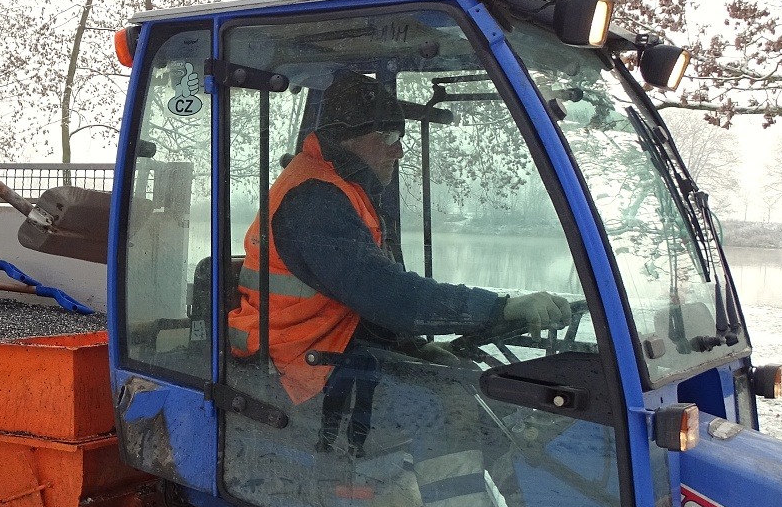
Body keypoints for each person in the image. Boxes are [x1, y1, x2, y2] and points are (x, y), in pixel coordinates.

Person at [227, 70, 572, 451]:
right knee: (454, 409)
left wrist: (413, 348)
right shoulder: (315, 201)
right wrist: (501, 307)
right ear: (346, 138)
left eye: (401, 138)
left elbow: (359, 295)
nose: (400, 151)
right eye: (388, 137)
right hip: (297, 371)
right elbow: (389, 295)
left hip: (327, 350)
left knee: (464, 377)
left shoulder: (339, 187)